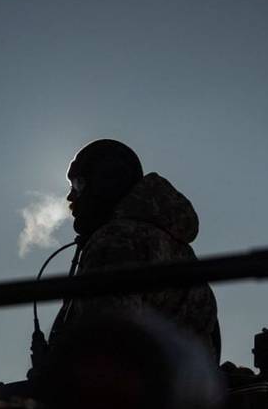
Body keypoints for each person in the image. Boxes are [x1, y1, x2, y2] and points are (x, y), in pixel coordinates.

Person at [46, 139, 221, 365]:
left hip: (138, 384)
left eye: (78, 185)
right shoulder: (172, 243)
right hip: (190, 382)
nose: (71, 197)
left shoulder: (117, 241)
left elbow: (104, 345)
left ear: (106, 184)